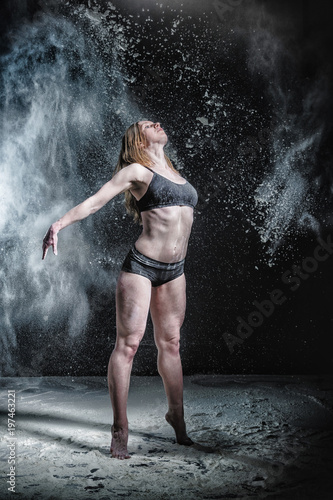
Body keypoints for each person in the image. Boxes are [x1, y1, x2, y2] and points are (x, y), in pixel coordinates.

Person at [42, 120, 198, 459]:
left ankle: (177, 416)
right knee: (128, 346)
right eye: (147, 125)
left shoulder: (171, 170)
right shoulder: (137, 171)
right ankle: (119, 428)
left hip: (175, 271)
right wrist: (59, 224)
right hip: (142, 267)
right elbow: (96, 201)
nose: (156, 123)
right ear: (138, 140)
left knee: (171, 344)